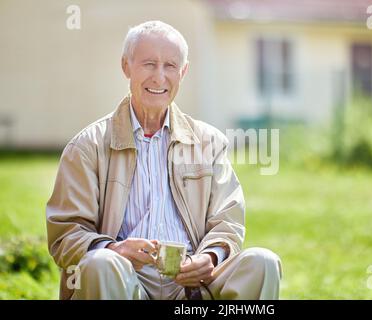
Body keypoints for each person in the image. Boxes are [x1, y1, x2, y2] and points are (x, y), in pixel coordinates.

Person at [46, 20, 282, 300]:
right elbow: (66, 234)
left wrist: (211, 258)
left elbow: (227, 221)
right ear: (126, 66)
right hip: (123, 281)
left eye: (170, 66)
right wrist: (115, 250)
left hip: (194, 285)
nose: (159, 77)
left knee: (263, 262)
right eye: (148, 64)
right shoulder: (87, 146)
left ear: (183, 71)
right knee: (101, 263)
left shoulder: (209, 142)